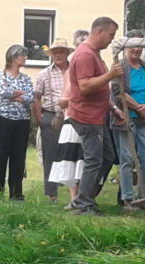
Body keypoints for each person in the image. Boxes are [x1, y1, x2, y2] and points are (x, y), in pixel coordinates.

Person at [68, 16, 125, 215]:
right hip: (86, 116)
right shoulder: (85, 55)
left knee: (107, 156)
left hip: (98, 115)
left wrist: (112, 108)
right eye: (110, 35)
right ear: (99, 32)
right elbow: (84, 87)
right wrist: (110, 75)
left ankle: (86, 197)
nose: (111, 39)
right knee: (94, 160)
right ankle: (83, 204)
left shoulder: (95, 54)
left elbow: (99, 87)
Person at [111, 31, 145, 212]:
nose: (137, 49)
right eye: (133, 45)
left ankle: (143, 196)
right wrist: (138, 107)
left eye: (140, 45)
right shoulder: (120, 67)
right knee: (127, 159)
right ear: (126, 46)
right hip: (126, 119)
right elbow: (118, 92)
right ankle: (127, 200)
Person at [0, 45, 35, 200]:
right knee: (0, 157)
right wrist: (20, 94)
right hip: (2, 120)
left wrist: (15, 95)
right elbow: (3, 92)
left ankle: (16, 193)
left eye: (25, 55)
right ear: (12, 57)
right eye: (22, 55)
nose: (25, 58)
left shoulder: (26, 78)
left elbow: (31, 97)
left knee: (18, 158)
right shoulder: (0, 76)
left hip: (22, 121)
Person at [33, 38, 73, 202]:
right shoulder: (44, 74)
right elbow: (36, 98)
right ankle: (52, 194)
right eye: (54, 52)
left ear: (67, 53)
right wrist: (40, 119)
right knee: (50, 155)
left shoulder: (75, 70)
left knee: (72, 153)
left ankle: (74, 192)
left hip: (72, 115)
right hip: (51, 114)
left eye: (61, 52)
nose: (57, 55)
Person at [50, 72, 84, 209]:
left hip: (89, 119)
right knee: (71, 158)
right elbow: (63, 99)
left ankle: (84, 197)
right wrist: (68, 101)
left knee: (84, 159)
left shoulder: (98, 65)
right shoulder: (70, 72)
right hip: (71, 119)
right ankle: (74, 198)